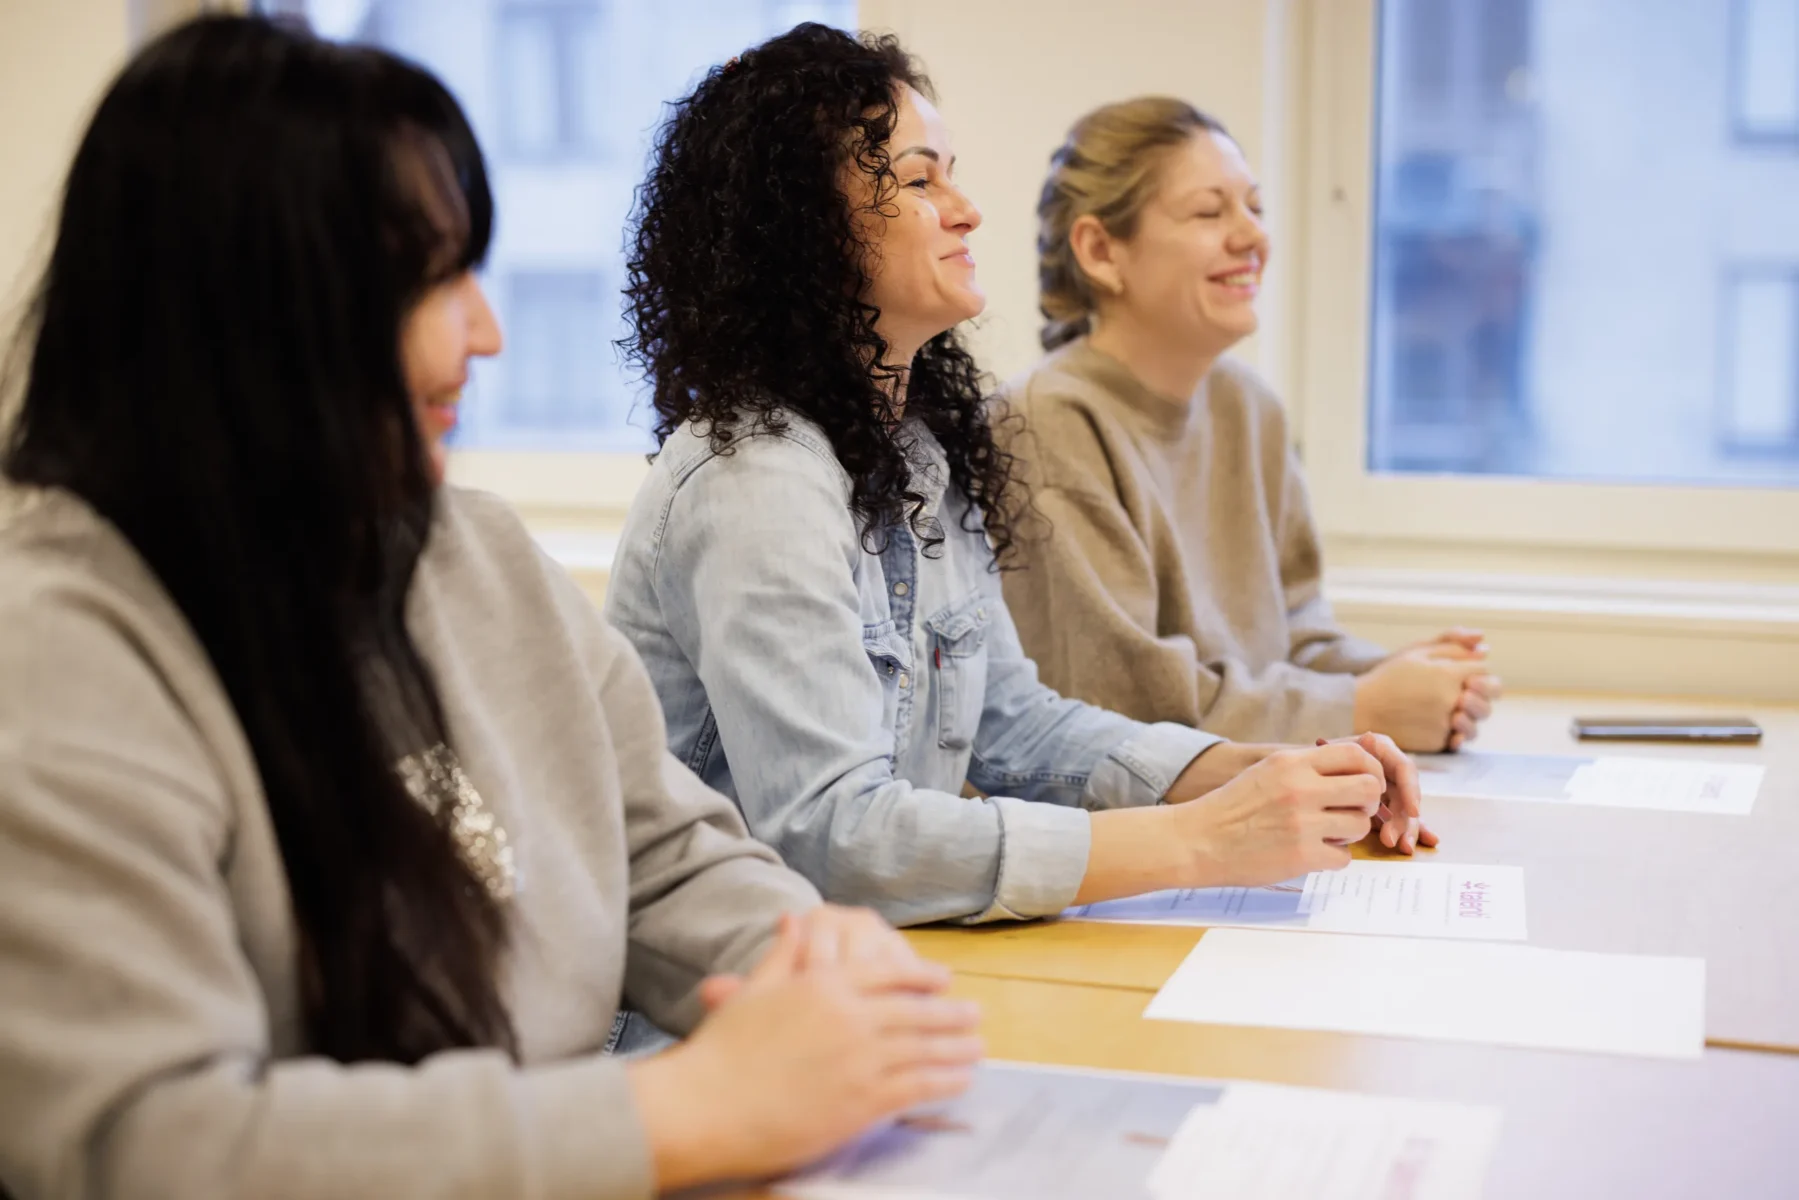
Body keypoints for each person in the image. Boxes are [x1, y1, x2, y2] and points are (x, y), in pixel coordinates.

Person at [0, 18, 982, 1199]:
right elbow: (148, 1143)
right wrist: (677, 1109)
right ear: (256, 314)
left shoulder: (479, 555)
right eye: (434, 281)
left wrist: (803, 952)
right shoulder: (58, 645)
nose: (488, 333)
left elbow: (664, 857)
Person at [604, 25, 1431, 932]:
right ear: (799, 227)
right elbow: (835, 838)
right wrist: (1199, 841)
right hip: (709, 1017)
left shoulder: (915, 453)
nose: (966, 210)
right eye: (921, 180)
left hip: (869, 969)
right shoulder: (753, 480)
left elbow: (1013, 723)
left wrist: (1251, 771)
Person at [998, 97, 1503, 752]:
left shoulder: (1248, 407)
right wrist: (1362, 707)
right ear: (1100, 251)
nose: (1252, 237)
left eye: (1254, 209)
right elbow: (1116, 700)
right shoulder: (1044, 422)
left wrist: (1400, 679)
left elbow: (1291, 637)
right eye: (1209, 213)